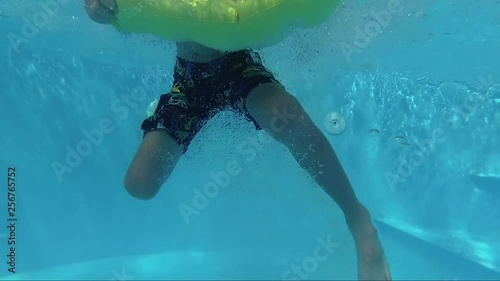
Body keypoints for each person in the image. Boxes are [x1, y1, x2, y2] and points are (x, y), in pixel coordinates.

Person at [84, 0, 392, 279]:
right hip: (189, 84)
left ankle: (358, 220)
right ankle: (158, 120)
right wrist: (96, 6)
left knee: (289, 117)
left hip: (237, 67)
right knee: (139, 185)